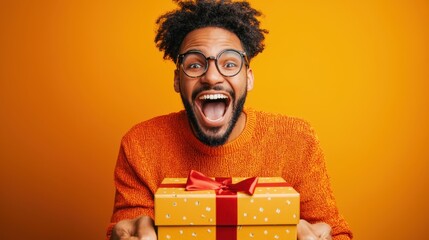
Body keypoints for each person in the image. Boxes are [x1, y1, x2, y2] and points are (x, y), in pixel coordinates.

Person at [107, 0, 353, 239]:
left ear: (249, 78)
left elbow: (335, 232)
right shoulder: (140, 145)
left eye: (229, 63)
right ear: (176, 80)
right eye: (194, 65)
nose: (212, 76)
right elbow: (128, 229)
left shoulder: (297, 140)